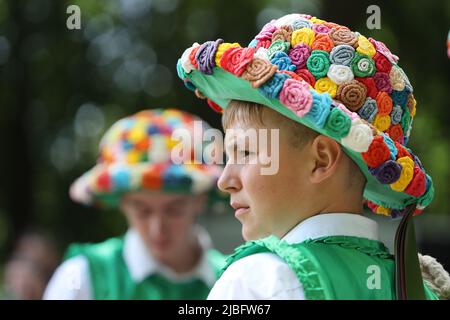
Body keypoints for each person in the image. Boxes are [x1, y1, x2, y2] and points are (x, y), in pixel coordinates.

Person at [176, 13, 444, 299]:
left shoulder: (261, 279)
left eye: (245, 152)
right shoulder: (415, 287)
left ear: (321, 160)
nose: (225, 180)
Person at [44, 108, 225, 300]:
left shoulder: (234, 280)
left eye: (174, 210)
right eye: (142, 211)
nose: (158, 228)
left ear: (200, 199)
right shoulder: (83, 276)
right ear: (122, 201)